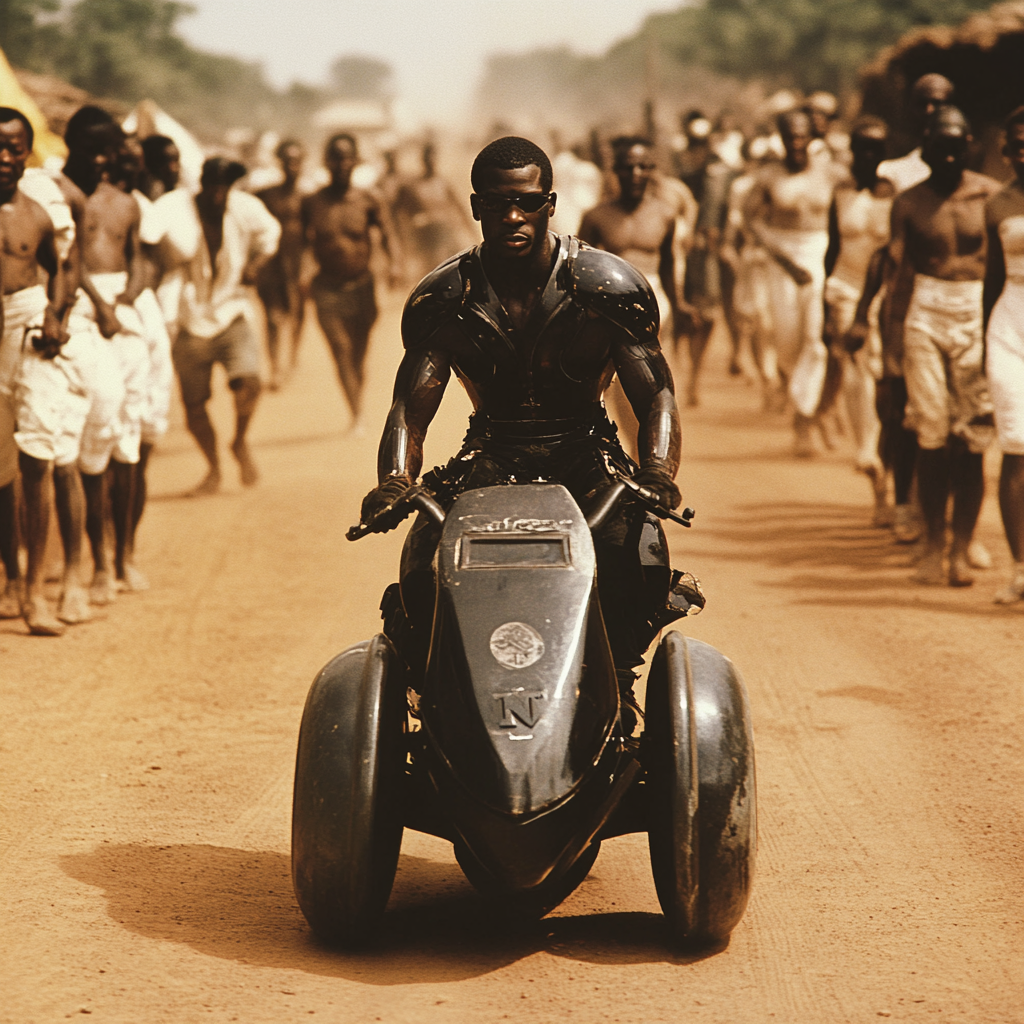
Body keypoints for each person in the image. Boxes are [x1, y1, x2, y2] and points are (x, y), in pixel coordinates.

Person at [358, 136, 684, 725]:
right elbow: (410, 407)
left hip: (587, 456)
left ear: (550, 202)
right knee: (424, 565)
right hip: (492, 454)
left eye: (528, 202)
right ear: (476, 205)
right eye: (498, 203)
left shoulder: (609, 289)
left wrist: (658, 472)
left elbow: (656, 393)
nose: (513, 216)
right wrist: (394, 480)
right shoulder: (442, 300)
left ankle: (619, 680)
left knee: (634, 555)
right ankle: (439, 692)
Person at [888, 106, 1001, 586]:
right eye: (940, 145)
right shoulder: (909, 202)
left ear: (969, 143)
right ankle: (933, 543)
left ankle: (961, 546)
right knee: (932, 434)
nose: (950, 154)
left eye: (958, 144)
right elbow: (897, 271)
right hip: (926, 311)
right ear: (926, 147)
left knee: (972, 437)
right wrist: (890, 334)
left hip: (977, 309)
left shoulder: (989, 196)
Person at [0, 107, 91, 635]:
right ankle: (11, 577)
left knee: (38, 455)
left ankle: (38, 592)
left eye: (15, 147)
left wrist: (56, 315)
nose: (5, 157)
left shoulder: (35, 213)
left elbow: (63, 270)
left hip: (28, 326)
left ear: (27, 152)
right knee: (2, 468)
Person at [63, 121, 151, 604]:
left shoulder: (126, 203)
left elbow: (137, 257)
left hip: (122, 308)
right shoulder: (68, 196)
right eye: (95, 151)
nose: (103, 160)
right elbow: (70, 263)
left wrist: (132, 293)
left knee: (129, 434)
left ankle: (124, 556)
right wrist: (100, 306)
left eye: (107, 152)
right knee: (96, 427)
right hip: (87, 307)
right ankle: (97, 560)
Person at [171, 157, 280, 494]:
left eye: (225, 187)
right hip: (188, 316)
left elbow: (271, 234)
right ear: (202, 182)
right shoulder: (180, 210)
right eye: (213, 185)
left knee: (249, 382)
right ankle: (214, 468)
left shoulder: (245, 207)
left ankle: (240, 440)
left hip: (231, 310)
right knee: (194, 403)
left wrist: (257, 264)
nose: (219, 193)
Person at [743, 108, 846, 454]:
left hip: (819, 252)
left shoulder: (830, 173)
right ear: (782, 139)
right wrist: (783, 259)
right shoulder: (769, 176)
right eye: (791, 137)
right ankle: (805, 404)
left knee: (816, 340)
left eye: (802, 136)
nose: (797, 143)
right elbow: (751, 220)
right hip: (781, 257)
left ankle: (806, 419)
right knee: (787, 344)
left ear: (811, 137)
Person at [578, 136, 700, 423]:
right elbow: (580, 268)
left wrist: (679, 304)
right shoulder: (597, 217)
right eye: (628, 167)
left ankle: (640, 445)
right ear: (616, 171)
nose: (635, 175)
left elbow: (669, 265)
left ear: (651, 170)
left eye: (642, 167)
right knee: (613, 379)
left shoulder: (665, 215)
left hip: (653, 300)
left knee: (645, 375)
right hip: (609, 302)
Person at [820, 117, 895, 524]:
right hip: (846, 291)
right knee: (858, 383)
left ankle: (895, 479)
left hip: (887, 299)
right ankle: (876, 479)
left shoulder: (896, 196)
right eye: (861, 146)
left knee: (890, 387)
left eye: (875, 147)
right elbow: (832, 249)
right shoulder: (842, 193)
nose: (868, 154)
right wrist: (823, 311)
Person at [303, 133, 402, 433]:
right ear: (326, 162)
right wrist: (299, 274)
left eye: (347, 158)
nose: (342, 164)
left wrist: (395, 263)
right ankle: (357, 412)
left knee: (359, 351)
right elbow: (298, 243)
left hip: (362, 286)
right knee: (340, 348)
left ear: (356, 161)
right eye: (336, 158)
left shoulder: (369, 199)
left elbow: (388, 233)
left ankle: (356, 401)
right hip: (326, 286)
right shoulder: (313, 202)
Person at [983, 106, 1024, 603]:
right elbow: (991, 279)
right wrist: (979, 341)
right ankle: (1019, 568)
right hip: (1010, 323)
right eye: (1018, 139)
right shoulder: (996, 204)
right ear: (1006, 148)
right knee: (1015, 444)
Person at [255, 139, 307, 390]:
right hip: (271, 267)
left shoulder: (308, 199)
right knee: (273, 319)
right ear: (280, 163)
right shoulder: (266, 196)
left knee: (297, 316)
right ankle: (275, 367)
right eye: (287, 162)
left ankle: (293, 361)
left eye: (296, 162)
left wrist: (310, 267)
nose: (292, 167)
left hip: (298, 266)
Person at [393, 142, 475, 281]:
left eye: (433, 158)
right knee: (430, 272)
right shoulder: (413, 186)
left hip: (446, 234)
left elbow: (460, 208)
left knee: (452, 271)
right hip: (426, 237)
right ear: (423, 160)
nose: (431, 162)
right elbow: (397, 211)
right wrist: (412, 223)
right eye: (427, 158)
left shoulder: (442, 183)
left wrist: (471, 231)